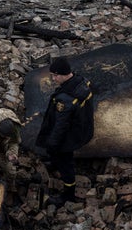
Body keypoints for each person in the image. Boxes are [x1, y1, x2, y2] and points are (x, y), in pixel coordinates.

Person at [37, 56, 94, 207]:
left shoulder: (65, 100)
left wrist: (52, 144)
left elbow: (60, 126)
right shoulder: (81, 82)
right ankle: (55, 162)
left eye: (55, 76)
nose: (54, 79)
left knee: (65, 162)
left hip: (68, 136)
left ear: (63, 74)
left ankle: (68, 194)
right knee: (58, 156)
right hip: (81, 129)